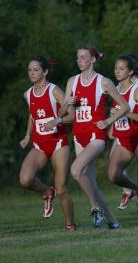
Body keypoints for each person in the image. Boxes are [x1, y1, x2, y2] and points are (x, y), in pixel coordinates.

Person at [61, 46, 129, 228]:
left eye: (83, 57)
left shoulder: (103, 82)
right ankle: (114, 222)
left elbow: (125, 107)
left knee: (76, 171)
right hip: (78, 135)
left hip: (96, 135)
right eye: (78, 57)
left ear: (92, 59)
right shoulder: (72, 82)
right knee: (90, 182)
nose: (80, 60)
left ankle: (95, 209)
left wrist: (108, 122)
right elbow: (62, 112)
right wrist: (68, 103)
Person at [19, 56, 75, 230]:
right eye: (30, 70)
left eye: (36, 70)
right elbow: (32, 116)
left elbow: (72, 115)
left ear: (45, 72)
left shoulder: (54, 91)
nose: (32, 73)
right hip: (39, 144)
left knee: (62, 189)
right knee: (25, 180)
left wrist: (57, 121)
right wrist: (28, 135)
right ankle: (46, 191)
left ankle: (70, 225)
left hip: (58, 143)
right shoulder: (28, 93)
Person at [107, 55, 138, 213]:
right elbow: (116, 112)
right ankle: (136, 189)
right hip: (123, 139)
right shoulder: (115, 90)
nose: (117, 72)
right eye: (116, 68)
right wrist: (113, 123)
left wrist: (125, 114)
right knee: (113, 175)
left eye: (121, 69)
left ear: (130, 71)